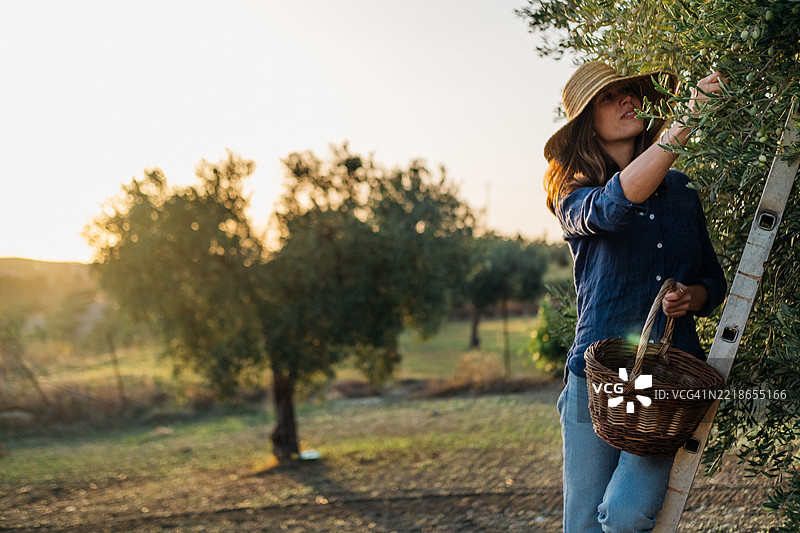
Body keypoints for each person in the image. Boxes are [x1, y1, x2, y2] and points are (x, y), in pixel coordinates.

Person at [544, 61, 728, 533]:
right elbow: (614, 206)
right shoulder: (575, 194)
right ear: (587, 121)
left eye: (630, 93)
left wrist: (694, 295)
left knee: (626, 516)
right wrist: (682, 125)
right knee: (583, 525)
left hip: (663, 386)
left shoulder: (682, 192)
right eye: (610, 97)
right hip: (597, 378)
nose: (627, 101)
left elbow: (713, 277)